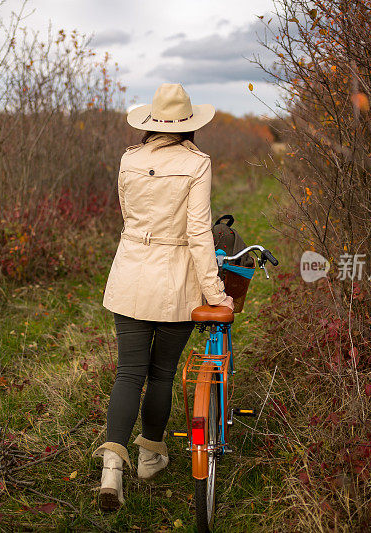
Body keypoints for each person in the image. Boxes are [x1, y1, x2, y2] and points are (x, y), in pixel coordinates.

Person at [92, 83, 234, 512]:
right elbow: (197, 233)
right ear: (189, 126)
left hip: (130, 276)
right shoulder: (196, 163)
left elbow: (129, 216)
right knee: (162, 373)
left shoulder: (129, 159)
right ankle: (150, 454)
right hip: (175, 282)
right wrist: (216, 293)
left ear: (151, 122)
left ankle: (111, 468)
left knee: (128, 373)